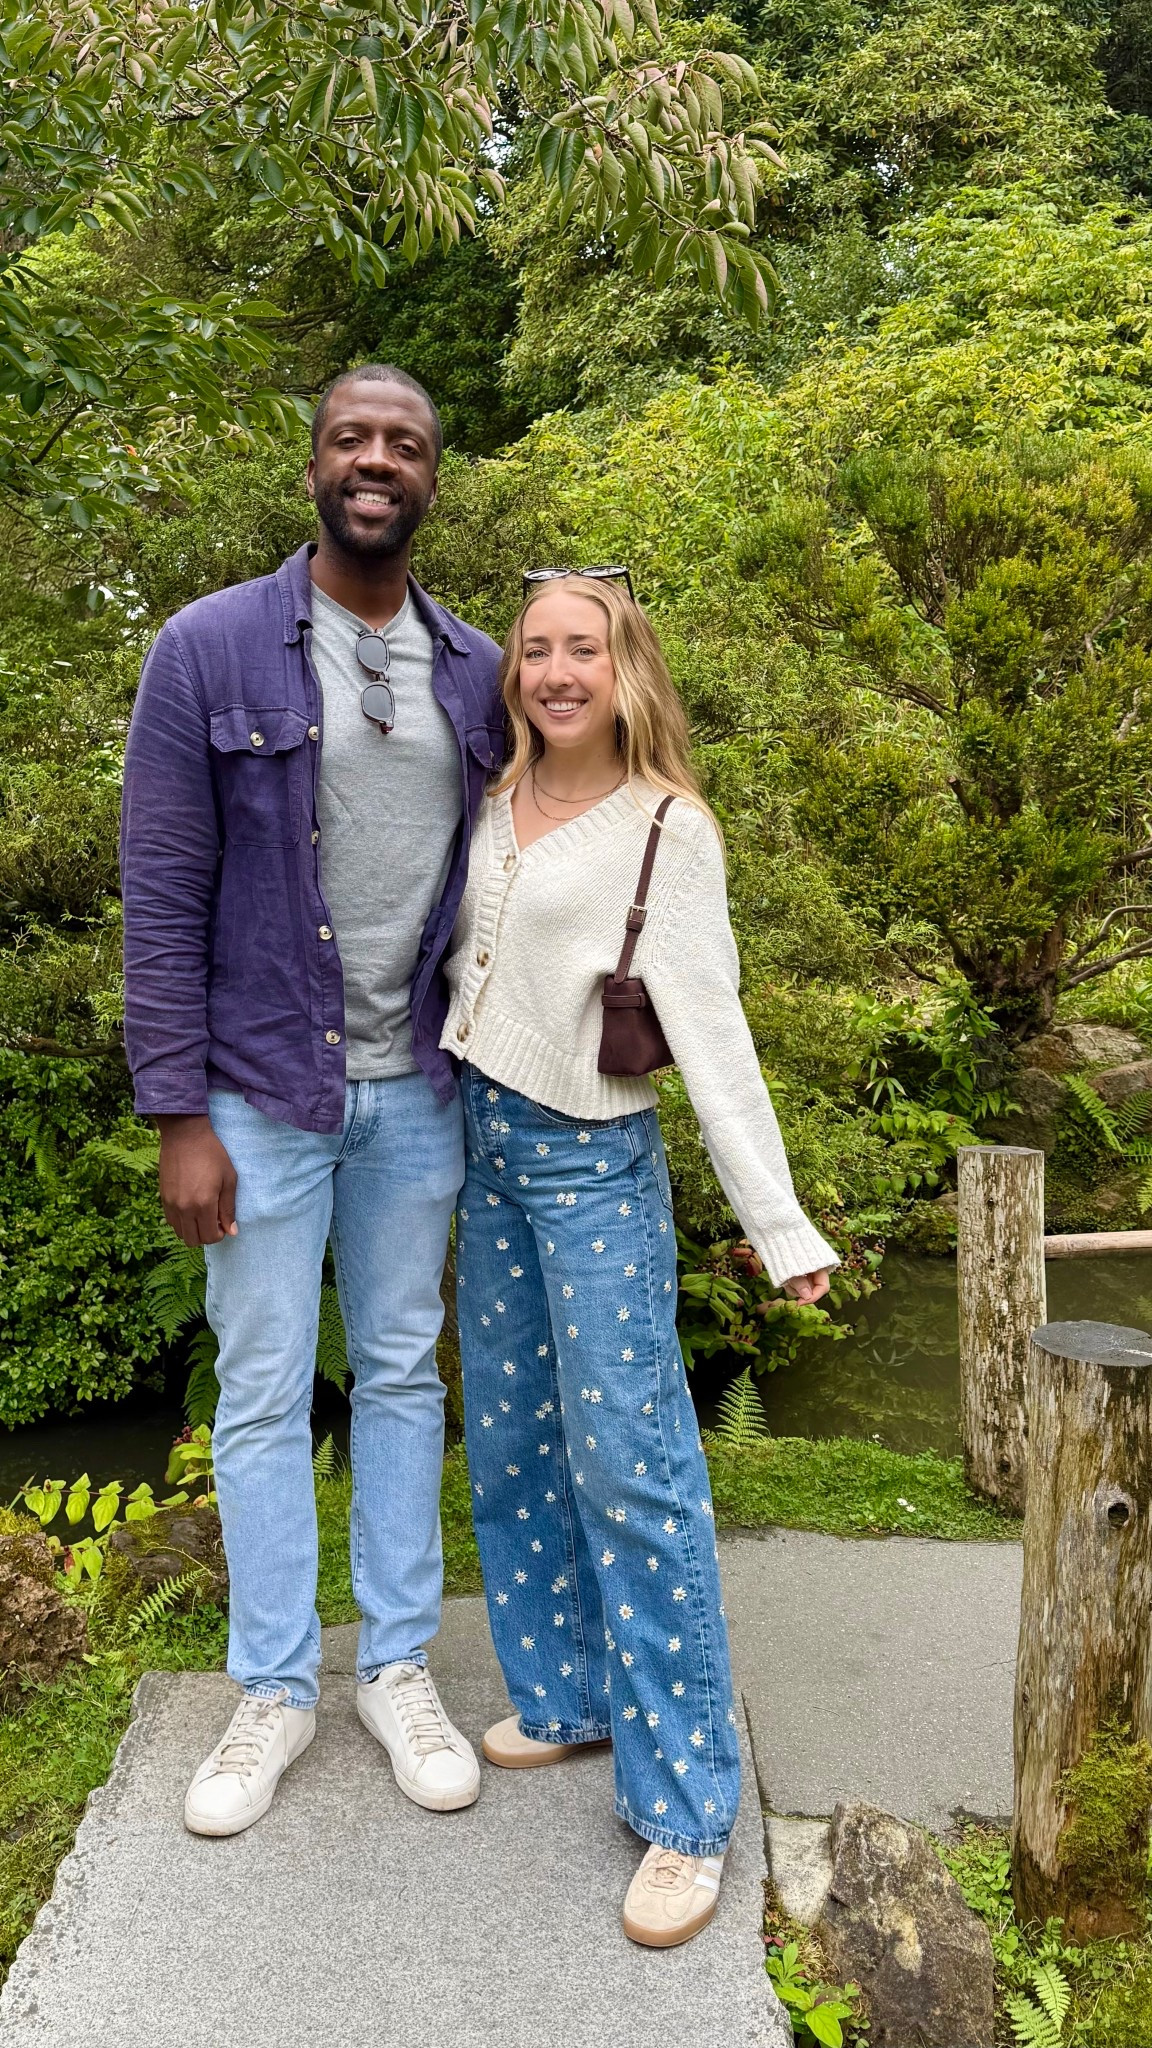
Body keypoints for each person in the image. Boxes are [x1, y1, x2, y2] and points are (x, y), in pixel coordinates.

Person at [120, 364, 505, 1835]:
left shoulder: (473, 668)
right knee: (266, 1390)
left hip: (420, 1089)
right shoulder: (207, 649)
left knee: (404, 1374)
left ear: (429, 480)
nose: (377, 460)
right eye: (353, 437)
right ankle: (275, 1684)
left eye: (404, 443)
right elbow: (160, 892)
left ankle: (395, 1666)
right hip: (259, 1090)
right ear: (313, 469)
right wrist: (178, 1114)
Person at [441, 570, 836, 1946]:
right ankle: (566, 1699)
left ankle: (686, 1811)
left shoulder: (671, 830)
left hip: (594, 1166)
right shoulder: (493, 798)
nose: (556, 672)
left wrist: (777, 1225)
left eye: (582, 650)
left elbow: (716, 1043)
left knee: (636, 1467)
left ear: (627, 670)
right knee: (512, 1437)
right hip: (481, 1145)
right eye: (534, 650)